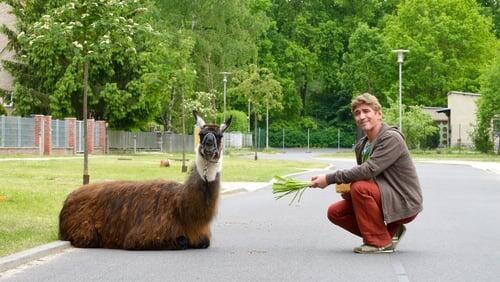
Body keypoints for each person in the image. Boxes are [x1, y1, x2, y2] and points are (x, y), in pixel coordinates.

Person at [310, 93, 423, 254]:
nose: (362, 116)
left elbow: (369, 169)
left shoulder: (391, 138)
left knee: (360, 187)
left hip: (403, 201)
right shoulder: (362, 145)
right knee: (335, 213)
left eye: (366, 111)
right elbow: (368, 177)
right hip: (384, 198)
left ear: (379, 114)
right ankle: (390, 233)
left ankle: (378, 242)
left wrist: (329, 179)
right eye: (357, 113)